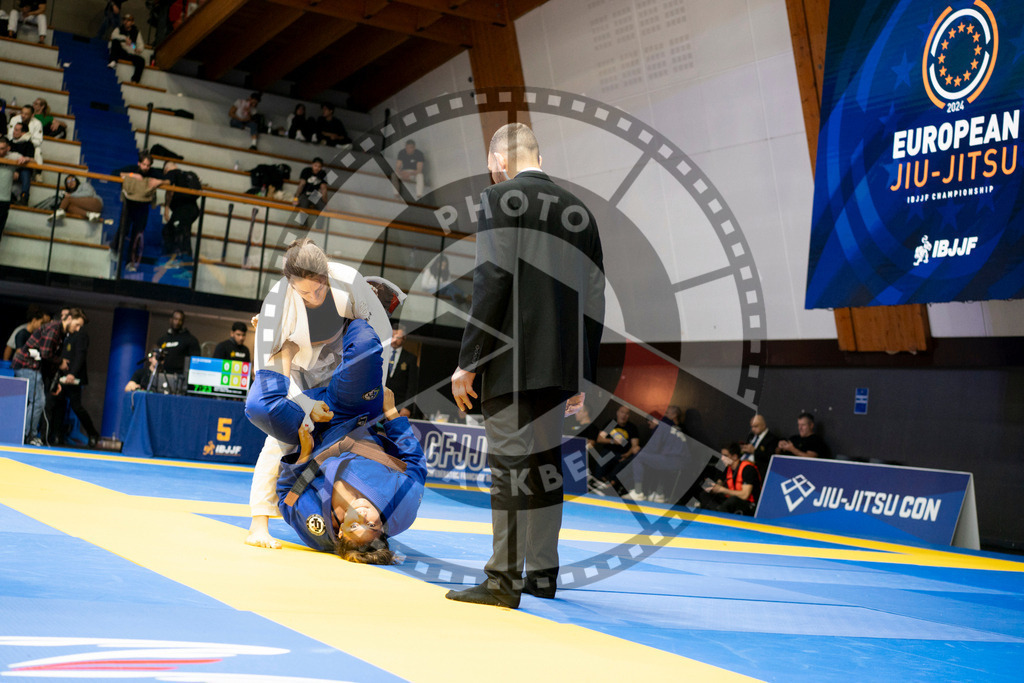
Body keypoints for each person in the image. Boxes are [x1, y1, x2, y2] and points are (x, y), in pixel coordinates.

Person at [447, 123, 605, 608]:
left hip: (510, 363)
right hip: (558, 366)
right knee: (543, 464)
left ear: (499, 160)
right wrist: (581, 373)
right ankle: (541, 574)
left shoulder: (499, 200)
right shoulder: (581, 212)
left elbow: (492, 279)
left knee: (512, 467)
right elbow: (595, 296)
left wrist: (468, 361)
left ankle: (502, 582)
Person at [244, 239, 396, 549]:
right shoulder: (275, 308)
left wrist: (375, 393)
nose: (314, 297)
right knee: (278, 439)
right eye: (305, 293)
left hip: (348, 378)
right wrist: (305, 403)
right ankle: (257, 524)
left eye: (320, 288)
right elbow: (269, 378)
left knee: (366, 340)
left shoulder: (349, 282)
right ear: (290, 285)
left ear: (327, 274)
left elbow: (380, 339)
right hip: (301, 375)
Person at [270, 321, 425, 564]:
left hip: (311, 433)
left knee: (261, 408)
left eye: (355, 525)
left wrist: (303, 456)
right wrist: (392, 414)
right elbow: (415, 464)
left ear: (341, 532)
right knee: (364, 344)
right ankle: (348, 315)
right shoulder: (401, 509)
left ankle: (278, 334)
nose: (363, 515)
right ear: (383, 531)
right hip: (357, 419)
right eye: (372, 524)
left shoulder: (317, 529)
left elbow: (285, 496)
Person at [11, 308, 87, 445]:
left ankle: (26, 435)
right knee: (37, 402)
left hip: (33, 367)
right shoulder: (54, 328)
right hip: (27, 366)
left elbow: (48, 359)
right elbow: (46, 354)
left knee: (36, 402)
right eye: (77, 325)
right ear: (69, 319)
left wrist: (54, 381)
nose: (77, 329)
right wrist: (61, 362)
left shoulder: (61, 333)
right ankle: (28, 436)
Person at [48, 316, 101, 448]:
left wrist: (72, 373)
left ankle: (92, 433)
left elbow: (80, 355)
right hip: (60, 374)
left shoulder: (80, 335)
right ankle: (56, 435)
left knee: (76, 406)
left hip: (73, 376)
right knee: (58, 405)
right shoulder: (62, 333)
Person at [116, 151, 165, 273]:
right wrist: (132, 175)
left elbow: (169, 179)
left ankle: (130, 261)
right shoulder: (133, 168)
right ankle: (114, 251)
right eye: (144, 164)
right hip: (129, 205)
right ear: (139, 163)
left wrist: (160, 182)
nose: (146, 168)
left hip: (143, 208)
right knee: (123, 229)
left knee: (137, 235)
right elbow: (115, 173)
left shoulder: (153, 172)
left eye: (148, 165)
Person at [626, 406, 686, 503]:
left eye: (666, 413)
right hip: (680, 462)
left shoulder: (663, 425)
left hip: (672, 461)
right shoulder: (676, 428)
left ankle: (638, 493)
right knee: (660, 462)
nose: (664, 416)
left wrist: (640, 451)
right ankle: (659, 494)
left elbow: (654, 448)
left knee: (639, 458)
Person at [589, 404, 641, 495]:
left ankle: (610, 481)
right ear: (617, 413)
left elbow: (635, 446)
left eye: (627, 413)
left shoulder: (631, 427)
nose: (624, 415)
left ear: (629, 416)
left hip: (623, 454)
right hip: (609, 452)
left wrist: (627, 455)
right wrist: (613, 441)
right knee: (601, 466)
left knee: (630, 461)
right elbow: (599, 439)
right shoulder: (611, 424)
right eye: (622, 412)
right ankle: (597, 484)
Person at [161, 161, 200, 263]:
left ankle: (183, 263)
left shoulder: (172, 174)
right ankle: (178, 259)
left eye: (166, 169)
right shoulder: (187, 174)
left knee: (181, 234)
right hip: (192, 209)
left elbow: (169, 192)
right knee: (174, 230)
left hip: (183, 210)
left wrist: (166, 208)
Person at [706, 442, 761, 516]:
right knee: (705, 494)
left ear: (735, 457)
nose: (722, 458)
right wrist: (715, 487)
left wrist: (722, 489)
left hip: (749, 504)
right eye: (722, 455)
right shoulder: (727, 467)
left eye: (725, 456)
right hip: (732, 499)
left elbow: (745, 495)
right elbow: (719, 481)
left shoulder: (747, 469)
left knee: (732, 500)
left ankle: (719, 515)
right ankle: (717, 511)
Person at [384, 324, 418, 418]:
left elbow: (412, 386)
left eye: (398, 337)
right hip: (379, 401)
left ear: (404, 338)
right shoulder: (381, 354)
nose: (394, 340)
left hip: (398, 405)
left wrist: (407, 407)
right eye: (392, 336)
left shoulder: (410, 358)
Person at [153, 309, 200, 376]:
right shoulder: (163, 339)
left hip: (181, 376)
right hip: (163, 374)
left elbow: (195, 361)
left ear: (183, 322)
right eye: (175, 319)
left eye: (180, 320)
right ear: (171, 319)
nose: (177, 322)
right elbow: (154, 356)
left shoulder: (190, 339)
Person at [0, 136, 31, 234]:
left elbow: (36, 162)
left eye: (1, 148)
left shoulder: (13, 156)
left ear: (8, 148)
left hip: (4, 199)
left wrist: (26, 158)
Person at [108, 13, 145, 84]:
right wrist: (125, 38)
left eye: (128, 20)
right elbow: (113, 36)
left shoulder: (136, 32)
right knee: (115, 42)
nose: (126, 22)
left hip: (129, 52)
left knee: (141, 61)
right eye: (124, 20)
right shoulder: (119, 29)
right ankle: (113, 61)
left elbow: (140, 45)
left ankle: (135, 80)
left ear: (132, 22)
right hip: (120, 51)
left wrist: (134, 47)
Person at [292, 157, 328, 227]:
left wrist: (325, 202)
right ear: (312, 165)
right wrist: (296, 197)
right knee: (303, 206)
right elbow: (301, 185)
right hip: (304, 194)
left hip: (315, 195)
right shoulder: (306, 171)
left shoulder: (323, 174)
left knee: (322, 208)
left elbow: (324, 189)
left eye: (319, 167)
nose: (317, 168)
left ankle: (319, 228)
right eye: (315, 166)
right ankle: (303, 226)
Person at [742, 413, 779, 478]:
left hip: (758, 469)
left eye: (756, 426)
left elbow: (769, 458)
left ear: (763, 425)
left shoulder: (772, 439)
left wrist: (754, 451)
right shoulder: (751, 436)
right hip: (743, 463)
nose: (753, 429)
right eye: (752, 426)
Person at [5, 123, 33, 206]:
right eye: (14, 129)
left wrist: (17, 170)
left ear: (23, 133)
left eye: (17, 130)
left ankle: (24, 197)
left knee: (26, 172)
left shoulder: (28, 145)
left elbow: (32, 161)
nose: (14, 132)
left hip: (21, 171)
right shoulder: (9, 143)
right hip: (9, 169)